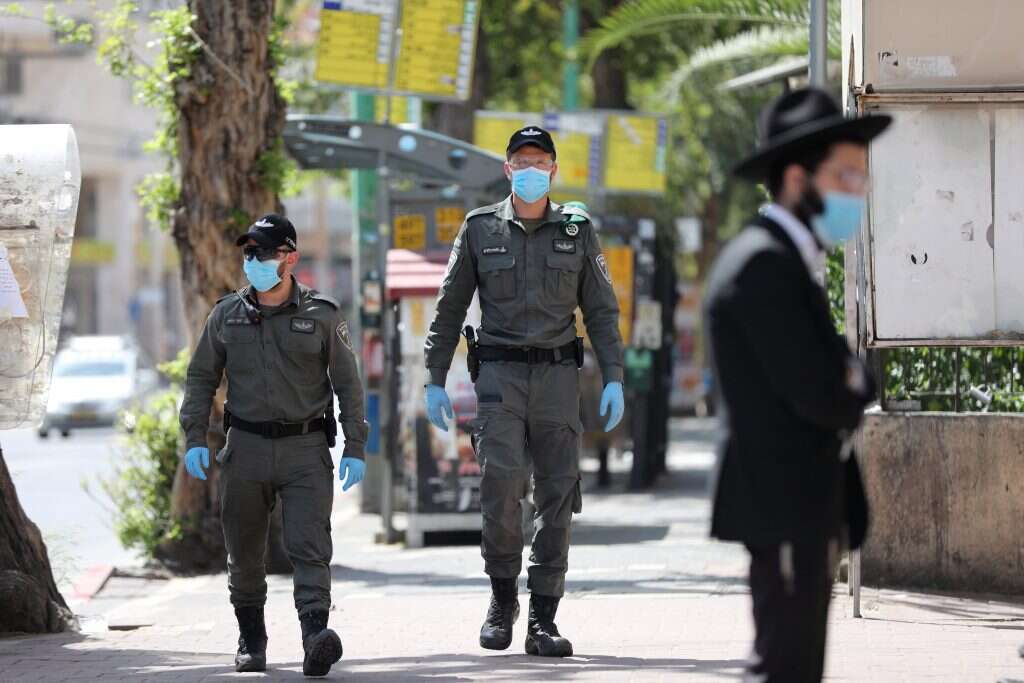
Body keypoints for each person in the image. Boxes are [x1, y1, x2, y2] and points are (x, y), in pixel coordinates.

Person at [703, 87, 890, 682]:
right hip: (781, 501)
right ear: (795, 178)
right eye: (844, 176)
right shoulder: (765, 264)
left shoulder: (786, 257)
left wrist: (850, 378)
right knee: (783, 669)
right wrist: (854, 381)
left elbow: (841, 375)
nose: (855, 191)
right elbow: (824, 389)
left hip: (801, 505)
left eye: (860, 176)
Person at [423, 127, 625, 657]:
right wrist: (433, 377)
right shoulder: (479, 229)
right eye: (521, 161)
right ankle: (501, 597)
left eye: (540, 161)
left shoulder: (577, 231)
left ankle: (543, 617)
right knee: (502, 484)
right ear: (508, 169)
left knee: (558, 493)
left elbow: (601, 310)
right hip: (500, 378)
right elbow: (448, 309)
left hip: (559, 378)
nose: (531, 169)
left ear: (553, 169)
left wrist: (615, 377)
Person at [178, 214, 368, 677]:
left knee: (310, 547)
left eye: (265, 253)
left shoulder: (321, 314)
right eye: (250, 253)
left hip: (305, 450)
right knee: (243, 552)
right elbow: (201, 377)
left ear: (290, 258)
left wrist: (357, 445)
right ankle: (251, 639)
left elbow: (348, 383)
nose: (256, 261)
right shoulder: (227, 314)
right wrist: (194, 436)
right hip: (244, 449)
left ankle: (314, 638)